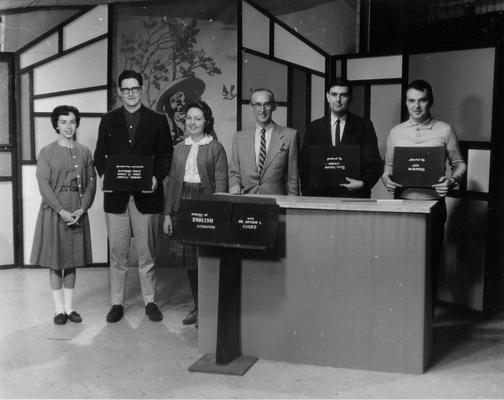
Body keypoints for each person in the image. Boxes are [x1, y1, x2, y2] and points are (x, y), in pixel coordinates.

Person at [94, 70, 173, 323]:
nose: (130, 93)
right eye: (126, 89)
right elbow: (99, 155)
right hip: (116, 198)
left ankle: (150, 301)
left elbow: (165, 156)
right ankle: (117, 303)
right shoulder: (107, 120)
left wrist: (155, 177)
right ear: (119, 91)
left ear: (142, 89)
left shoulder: (158, 120)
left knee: (147, 253)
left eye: (135, 89)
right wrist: (104, 174)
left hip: (146, 197)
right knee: (117, 254)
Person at [381, 79, 467, 305]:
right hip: (403, 205)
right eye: (411, 101)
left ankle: (426, 326)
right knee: (402, 264)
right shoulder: (396, 132)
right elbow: (388, 168)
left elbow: (459, 164)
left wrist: (451, 179)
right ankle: (404, 319)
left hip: (432, 206)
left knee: (430, 266)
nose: (416, 106)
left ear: (431, 102)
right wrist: (386, 179)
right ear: (406, 103)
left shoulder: (444, 129)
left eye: (422, 100)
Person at [162, 100, 228, 327]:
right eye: (189, 118)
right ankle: (198, 308)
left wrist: (218, 213)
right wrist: (168, 214)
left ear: (206, 121)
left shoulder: (215, 147)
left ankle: (209, 311)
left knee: (207, 260)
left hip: (207, 204)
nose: (192, 122)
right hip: (182, 205)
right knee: (190, 262)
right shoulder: (179, 148)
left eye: (197, 118)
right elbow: (171, 184)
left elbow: (221, 183)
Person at [31, 105, 96, 325]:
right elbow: (43, 184)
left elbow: (91, 182)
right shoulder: (47, 152)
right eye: (63, 122)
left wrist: (83, 207)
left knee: (71, 261)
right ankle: (59, 310)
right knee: (55, 262)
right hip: (54, 212)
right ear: (56, 125)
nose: (68, 127)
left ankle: (70, 309)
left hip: (77, 211)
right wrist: (61, 210)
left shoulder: (84, 151)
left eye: (72, 122)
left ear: (77, 124)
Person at [300, 77, 383, 198]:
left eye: (343, 95)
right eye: (334, 94)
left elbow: (375, 164)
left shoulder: (364, 126)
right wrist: (309, 194)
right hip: (320, 198)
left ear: (350, 98)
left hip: (354, 197)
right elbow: (304, 165)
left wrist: (363, 183)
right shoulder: (314, 127)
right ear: (327, 97)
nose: (338, 100)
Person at [229, 88, 299, 195]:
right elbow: (234, 172)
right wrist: (235, 184)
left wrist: (292, 205)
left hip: (277, 202)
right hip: (246, 201)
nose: (262, 110)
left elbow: (292, 179)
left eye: (267, 104)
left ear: (274, 106)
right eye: (258, 105)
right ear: (251, 107)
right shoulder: (239, 137)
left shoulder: (289, 135)